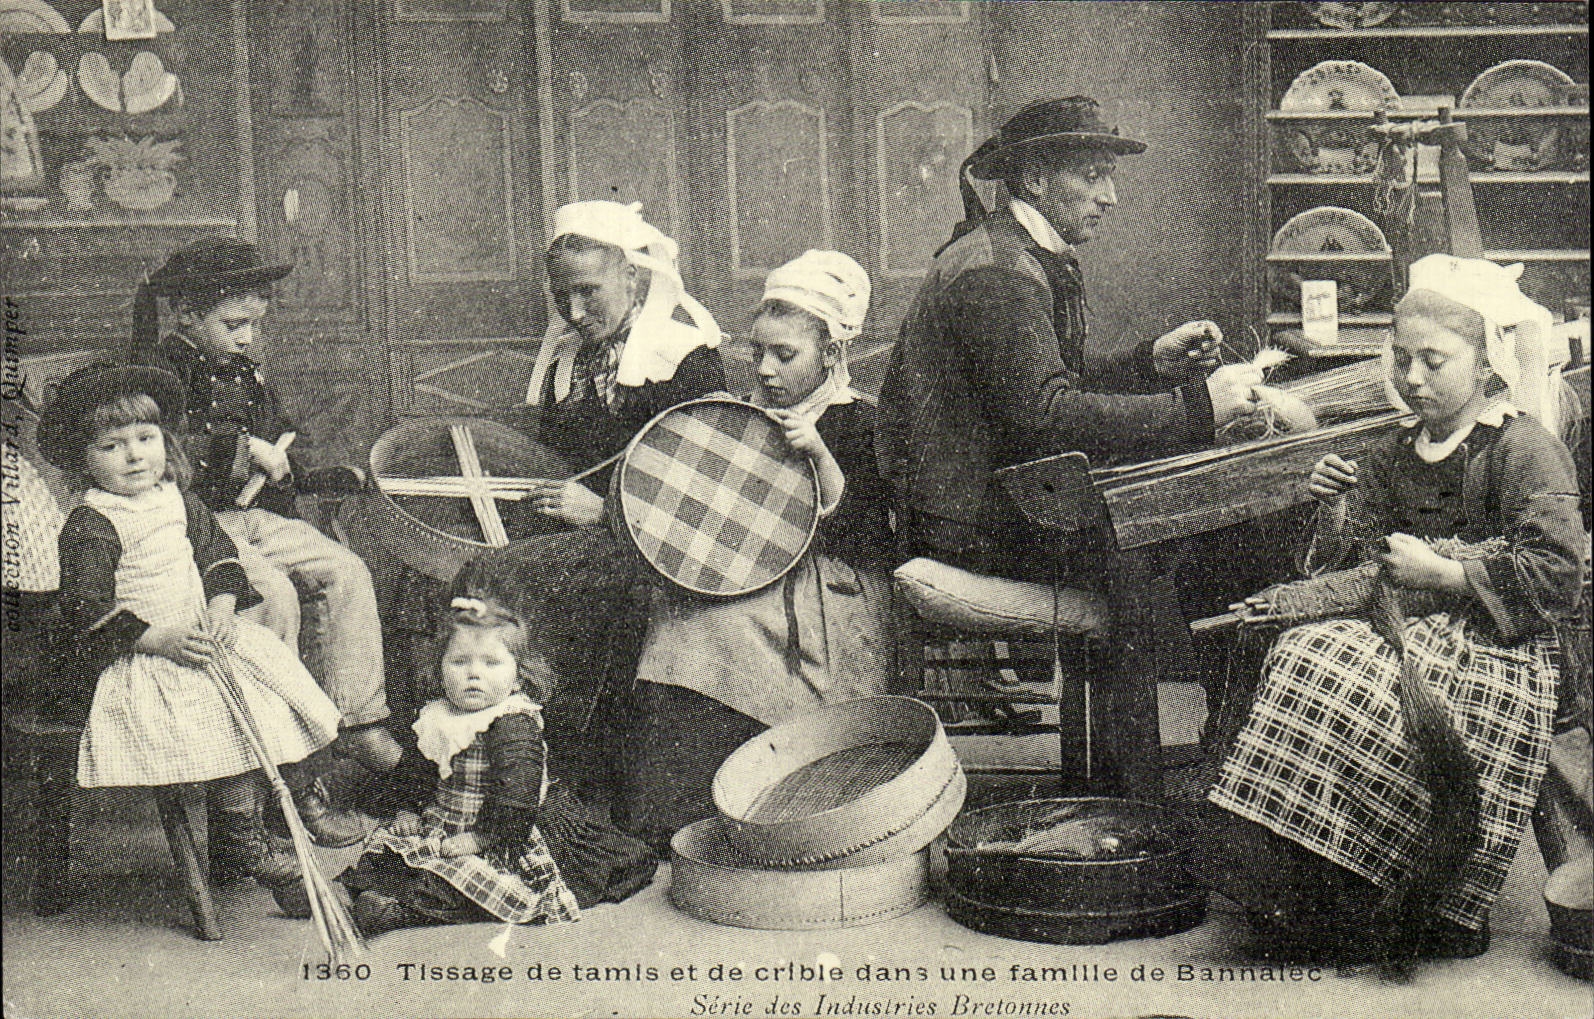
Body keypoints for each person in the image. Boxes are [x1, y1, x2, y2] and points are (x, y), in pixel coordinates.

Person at [1199, 255, 1585, 965]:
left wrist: (1447, 572)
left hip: (1500, 648)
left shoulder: (1525, 446)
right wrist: (1336, 508)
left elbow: (1558, 575)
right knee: (1304, 656)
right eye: (1402, 359)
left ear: (1489, 361)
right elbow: (1358, 567)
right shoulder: (1393, 452)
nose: (1412, 378)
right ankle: (1321, 876)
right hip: (1402, 627)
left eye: (1433, 361)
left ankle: (1420, 893)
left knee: (1348, 678)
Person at [876, 96, 1264, 795]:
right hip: (972, 525)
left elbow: (1048, 386)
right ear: (1031, 179)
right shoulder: (997, 271)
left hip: (992, 502)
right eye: (1092, 175)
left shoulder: (1014, 253)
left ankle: (1223, 748)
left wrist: (1152, 363)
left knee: (1202, 519)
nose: (1110, 196)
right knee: (1176, 530)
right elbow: (1044, 416)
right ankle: (1136, 794)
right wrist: (1200, 406)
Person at [617, 250, 896, 849]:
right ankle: (676, 815)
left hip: (831, 587)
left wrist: (819, 454)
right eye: (758, 351)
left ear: (834, 354)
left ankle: (761, 802)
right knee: (677, 620)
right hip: (741, 572)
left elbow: (870, 534)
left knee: (718, 628)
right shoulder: (743, 417)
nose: (766, 369)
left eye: (785, 354)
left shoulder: (858, 423)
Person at [38, 363, 348, 888]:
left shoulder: (178, 499)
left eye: (146, 437)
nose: (135, 456)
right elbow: (86, 608)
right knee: (220, 714)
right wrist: (159, 638)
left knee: (266, 697)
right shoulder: (92, 522)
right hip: (139, 654)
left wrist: (225, 602)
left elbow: (216, 554)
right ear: (82, 461)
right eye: (112, 446)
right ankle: (243, 844)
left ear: (166, 440)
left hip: (200, 637)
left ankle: (242, 839)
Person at [452, 201, 725, 794]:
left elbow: (707, 496)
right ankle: (489, 762)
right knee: (462, 564)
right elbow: (559, 460)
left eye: (588, 292)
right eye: (561, 296)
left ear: (633, 276)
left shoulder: (684, 359)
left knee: (491, 576)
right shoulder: (569, 361)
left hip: (656, 547)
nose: (574, 313)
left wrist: (603, 511)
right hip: (582, 537)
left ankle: (528, 763)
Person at [128, 238, 402, 783]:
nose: (248, 337)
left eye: (254, 323)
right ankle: (283, 770)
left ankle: (355, 720)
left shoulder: (245, 372)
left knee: (344, 570)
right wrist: (237, 448)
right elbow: (157, 455)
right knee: (272, 595)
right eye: (233, 324)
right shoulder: (154, 375)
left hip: (255, 517)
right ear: (185, 313)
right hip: (191, 527)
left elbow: (280, 443)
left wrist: (283, 458)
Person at [275, 596, 657, 936]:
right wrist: (412, 809)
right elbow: (422, 774)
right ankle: (345, 890)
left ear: (518, 675)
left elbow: (517, 798)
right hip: (449, 820)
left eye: (491, 663)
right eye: (459, 661)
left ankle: (397, 913)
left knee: (465, 883)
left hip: (509, 828)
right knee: (391, 855)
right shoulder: (439, 716)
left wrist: (482, 839)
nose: (474, 673)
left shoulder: (513, 723)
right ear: (439, 669)